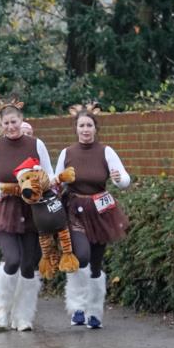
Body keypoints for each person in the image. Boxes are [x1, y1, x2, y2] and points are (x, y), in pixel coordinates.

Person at [0, 92, 54, 332]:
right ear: (0, 125)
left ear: (22, 121)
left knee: (29, 264)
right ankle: (2, 307)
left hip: (32, 208)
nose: (11, 126)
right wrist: (1, 189)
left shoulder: (36, 145)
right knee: (12, 258)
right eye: (6, 123)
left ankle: (23, 316)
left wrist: (41, 184)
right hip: (4, 209)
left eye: (14, 121)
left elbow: (50, 175)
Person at [56, 104, 131, 329]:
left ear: (95, 128)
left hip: (100, 211)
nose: (85, 129)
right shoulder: (67, 153)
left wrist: (118, 179)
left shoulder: (106, 151)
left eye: (89, 125)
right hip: (74, 210)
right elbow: (55, 180)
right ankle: (78, 307)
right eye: (82, 125)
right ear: (76, 129)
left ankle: (95, 311)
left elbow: (124, 180)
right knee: (81, 256)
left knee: (96, 264)